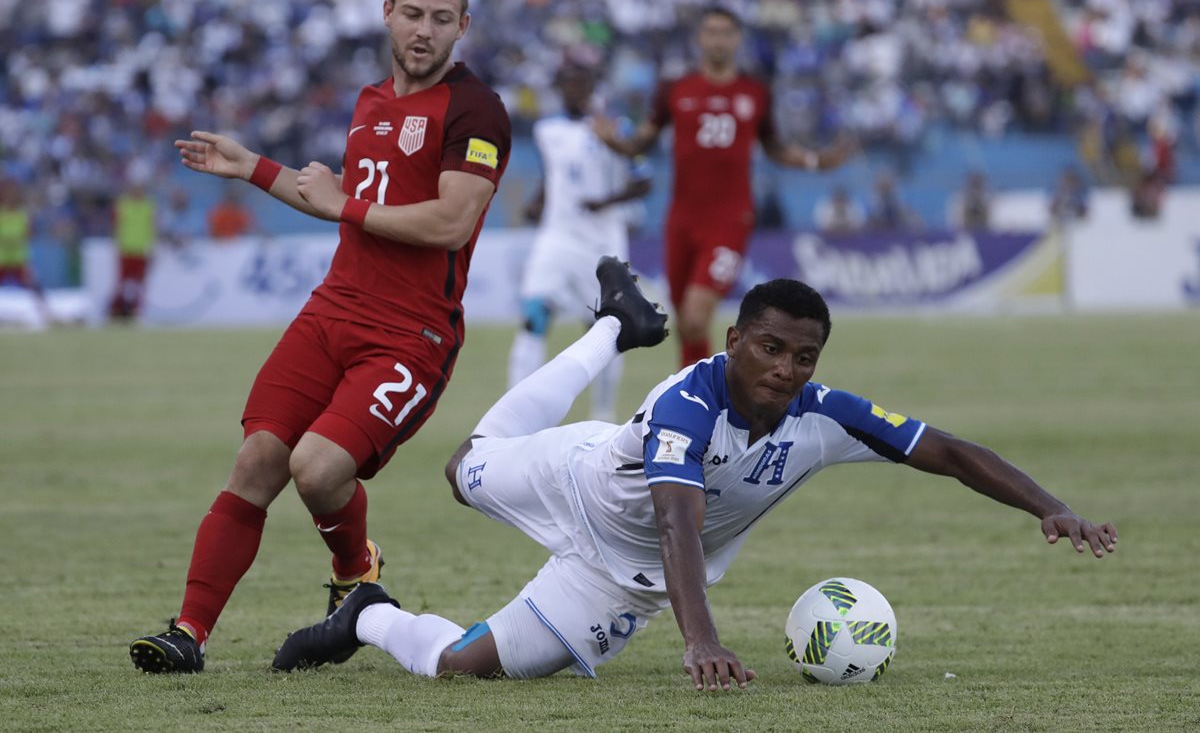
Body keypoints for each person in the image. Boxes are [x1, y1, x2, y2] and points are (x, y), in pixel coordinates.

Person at [273, 259, 1117, 690]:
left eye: (804, 355)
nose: (786, 367)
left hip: (621, 579)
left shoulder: (825, 413)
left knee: (462, 669)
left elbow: (953, 451)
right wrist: (701, 640)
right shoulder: (688, 405)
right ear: (734, 343)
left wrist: (1053, 506)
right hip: (582, 479)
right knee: (459, 471)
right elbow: (680, 519)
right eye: (770, 347)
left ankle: (367, 615)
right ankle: (613, 326)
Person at [129, 0, 511, 674]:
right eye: (411, 14)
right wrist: (253, 168)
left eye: (440, 18)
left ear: (463, 25)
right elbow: (341, 203)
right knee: (258, 460)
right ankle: (189, 633)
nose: (423, 30)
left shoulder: (477, 110)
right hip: (331, 311)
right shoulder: (371, 101)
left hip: (412, 334)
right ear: (386, 14)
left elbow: (449, 224)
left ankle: (357, 572)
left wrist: (347, 203)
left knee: (317, 468)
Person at [594, 6, 855, 369]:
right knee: (684, 323)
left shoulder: (754, 91)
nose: (718, 39)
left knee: (697, 316)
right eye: (711, 32)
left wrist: (816, 160)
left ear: (736, 39)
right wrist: (614, 142)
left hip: (729, 219)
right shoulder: (676, 89)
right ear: (701, 38)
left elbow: (775, 148)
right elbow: (643, 141)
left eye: (725, 32)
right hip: (681, 219)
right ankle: (691, 400)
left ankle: (706, 399)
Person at [507, 60, 652, 422]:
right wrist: (538, 203)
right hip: (556, 237)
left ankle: (602, 416)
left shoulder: (617, 127)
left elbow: (644, 180)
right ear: (560, 90)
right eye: (569, 85)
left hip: (601, 245)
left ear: (593, 89)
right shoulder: (547, 130)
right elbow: (553, 175)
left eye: (582, 85)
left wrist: (606, 201)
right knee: (534, 316)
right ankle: (514, 416)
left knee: (604, 330)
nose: (576, 92)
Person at [0, 177, 55, 327]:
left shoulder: (22, 214)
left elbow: (29, 234)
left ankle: (47, 315)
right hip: (2, 258)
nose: (10, 195)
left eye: (12, 192)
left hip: (19, 257)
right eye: (6, 192)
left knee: (34, 285)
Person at [108, 180, 155, 320]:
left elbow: (152, 226)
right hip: (126, 249)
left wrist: (152, 246)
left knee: (138, 284)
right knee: (122, 282)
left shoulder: (148, 206)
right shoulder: (123, 205)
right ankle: (117, 310)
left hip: (141, 250)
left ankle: (135, 310)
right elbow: (115, 225)